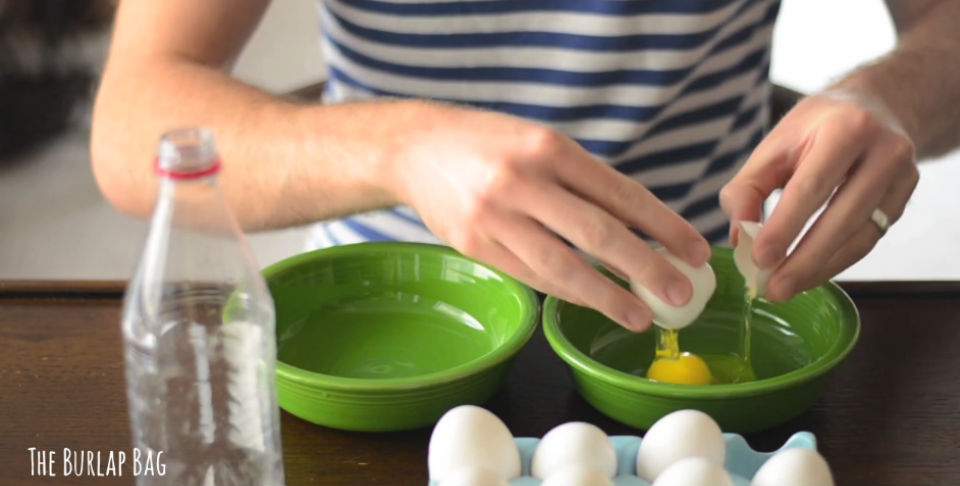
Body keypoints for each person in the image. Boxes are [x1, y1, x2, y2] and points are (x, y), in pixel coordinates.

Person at [91, 0, 959, 331]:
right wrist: (399, 148)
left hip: (700, 320)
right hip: (392, 328)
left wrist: (894, 95)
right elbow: (133, 125)